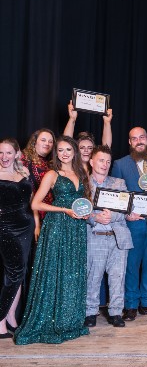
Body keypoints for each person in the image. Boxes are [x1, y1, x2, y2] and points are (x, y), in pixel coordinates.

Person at [15, 136, 91, 345]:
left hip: (76, 229)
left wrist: (86, 213)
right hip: (57, 227)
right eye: (60, 150)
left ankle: (69, 320)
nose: (64, 153)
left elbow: (85, 201)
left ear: (75, 151)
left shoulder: (82, 172)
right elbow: (36, 204)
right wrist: (64, 209)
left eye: (68, 149)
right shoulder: (52, 174)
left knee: (71, 272)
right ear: (56, 153)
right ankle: (49, 321)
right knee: (55, 271)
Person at [111, 127, 147, 321]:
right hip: (133, 221)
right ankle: (130, 304)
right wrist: (125, 212)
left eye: (142, 137)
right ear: (130, 142)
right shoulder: (120, 164)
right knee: (131, 264)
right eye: (134, 139)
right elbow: (115, 195)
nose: (139, 141)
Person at [83, 145, 133, 329]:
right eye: (101, 160)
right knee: (93, 276)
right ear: (91, 161)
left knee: (117, 277)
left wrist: (113, 216)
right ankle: (90, 312)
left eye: (108, 161)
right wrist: (95, 217)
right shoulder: (83, 184)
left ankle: (116, 312)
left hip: (117, 236)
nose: (104, 164)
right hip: (95, 236)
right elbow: (80, 210)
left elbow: (127, 209)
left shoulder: (119, 183)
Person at [0, 139, 35, 339]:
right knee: (14, 273)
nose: (4, 157)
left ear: (17, 153)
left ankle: (11, 317)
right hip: (6, 228)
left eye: (8, 153)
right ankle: (0, 319)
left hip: (25, 227)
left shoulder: (24, 173)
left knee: (18, 275)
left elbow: (28, 200)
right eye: (1, 153)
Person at [21, 128, 55, 222]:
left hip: (48, 214)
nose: (47, 144)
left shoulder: (51, 164)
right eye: (43, 140)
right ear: (34, 142)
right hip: (29, 213)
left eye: (50, 141)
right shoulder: (23, 159)